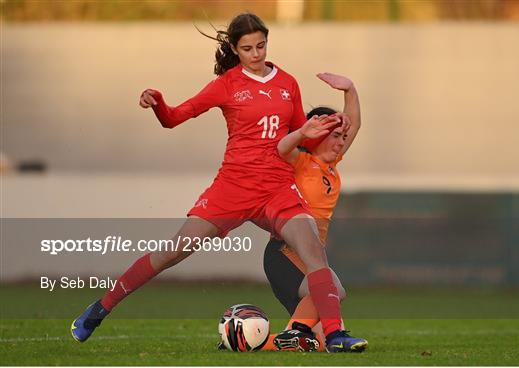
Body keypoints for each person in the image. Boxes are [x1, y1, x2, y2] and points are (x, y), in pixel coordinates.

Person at [70, 12, 366, 352]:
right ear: (235, 49)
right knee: (173, 252)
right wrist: (158, 102)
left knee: (315, 252)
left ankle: (335, 336)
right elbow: (174, 118)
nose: (256, 54)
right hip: (234, 187)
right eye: (248, 48)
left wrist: (328, 126)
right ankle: (100, 309)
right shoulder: (228, 84)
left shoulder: (288, 83)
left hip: (277, 188)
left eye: (261, 45)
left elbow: (299, 138)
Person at [260, 73, 363, 352]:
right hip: (285, 253)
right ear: (316, 135)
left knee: (314, 343)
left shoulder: (331, 165)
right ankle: (291, 334)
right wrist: (305, 130)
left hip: (307, 257)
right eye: (335, 136)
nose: (342, 141)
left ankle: (259, 342)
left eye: (343, 137)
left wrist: (350, 89)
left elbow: (355, 124)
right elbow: (281, 147)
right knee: (334, 289)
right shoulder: (302, 161)